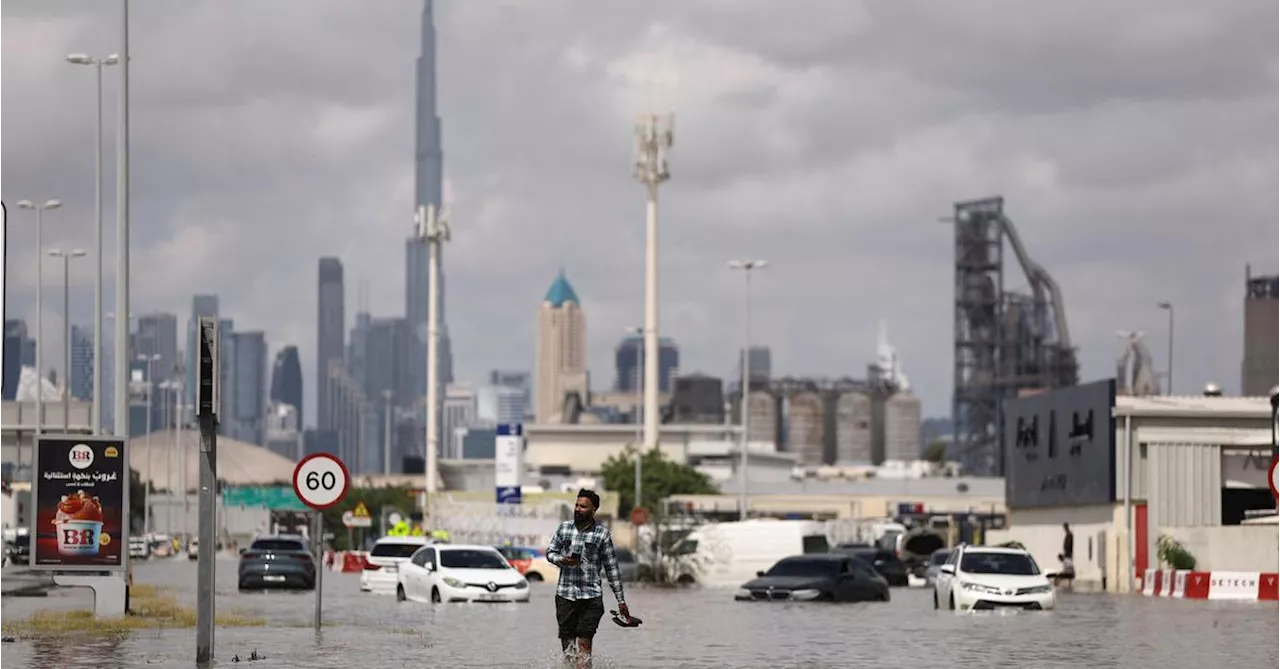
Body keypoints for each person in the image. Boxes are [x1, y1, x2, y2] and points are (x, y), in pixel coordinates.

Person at [546, 489, 632, 668]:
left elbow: (612, 569)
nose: (577, 509)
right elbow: (550, 552)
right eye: (576, 505)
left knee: (584, 643)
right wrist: (563, 560)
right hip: (565, 594)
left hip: (591, 596)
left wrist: (621, 601)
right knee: (568, 645)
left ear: (593, 510)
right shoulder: (564, 528)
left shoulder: (602, 535)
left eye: (583, 507)